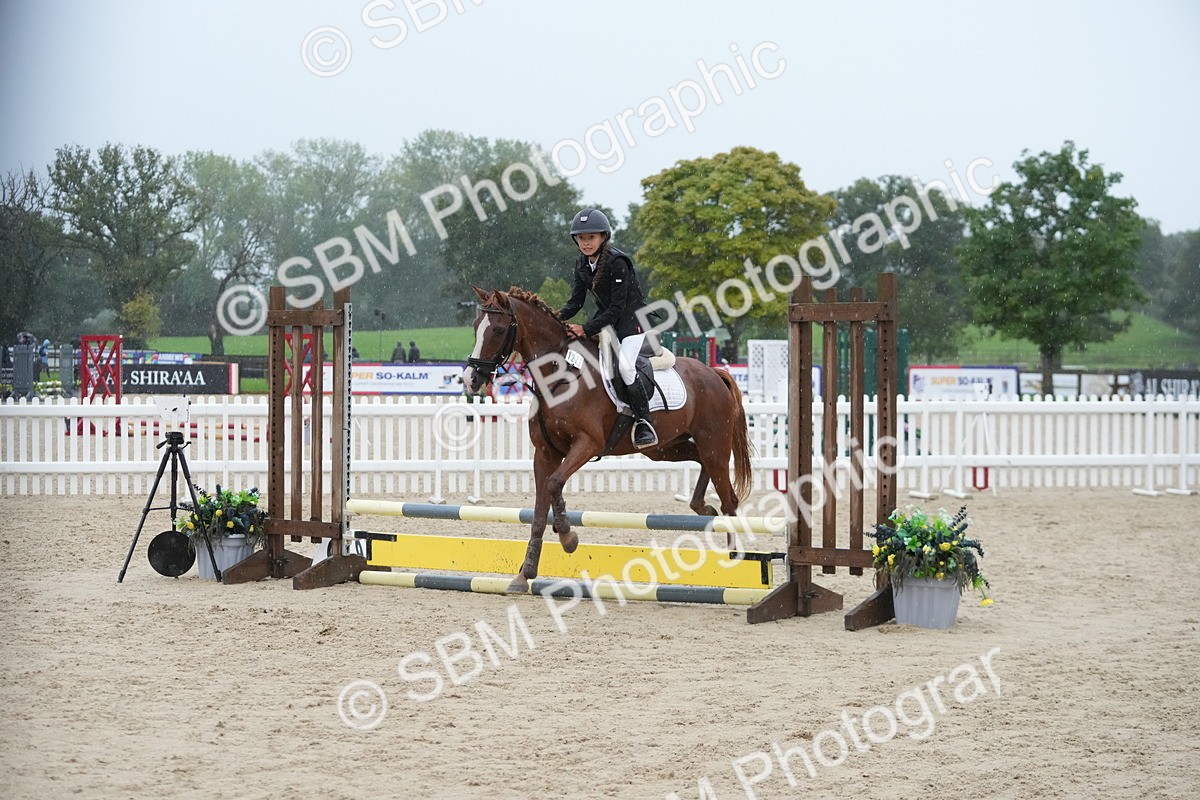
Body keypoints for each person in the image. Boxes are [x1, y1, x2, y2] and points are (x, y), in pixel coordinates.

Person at [558, 207, 659, 449]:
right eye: (581, 238)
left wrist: (585, 328)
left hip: (633, 323)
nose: (586, 243)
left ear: (603, 237)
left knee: (624, 367)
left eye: (591, 237)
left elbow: (617, 308)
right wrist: (554, 317)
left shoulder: (618, 262)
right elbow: (576, 301)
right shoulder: (582, 264)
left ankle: (645, 422)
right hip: (608, 321)